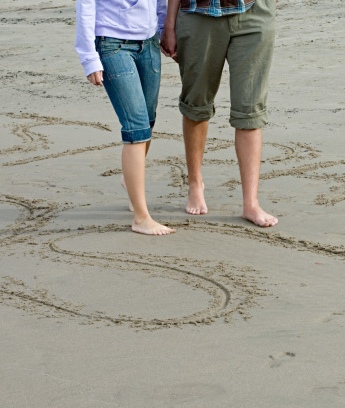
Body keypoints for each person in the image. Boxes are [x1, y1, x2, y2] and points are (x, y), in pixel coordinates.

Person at [161, 0, 278, 228]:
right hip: (197, 13)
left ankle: (250, 203)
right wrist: (169, 24)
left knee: (249, 109)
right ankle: (195, 183)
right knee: (196, 105)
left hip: (253, 14)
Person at [76, 0, 175, 235]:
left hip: (149, 43)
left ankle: (129, 181)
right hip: (112, 44)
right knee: (136, 128)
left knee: (148, 121)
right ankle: (141, 218)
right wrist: (89, 58)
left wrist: (164, 30)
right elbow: (85, 6)